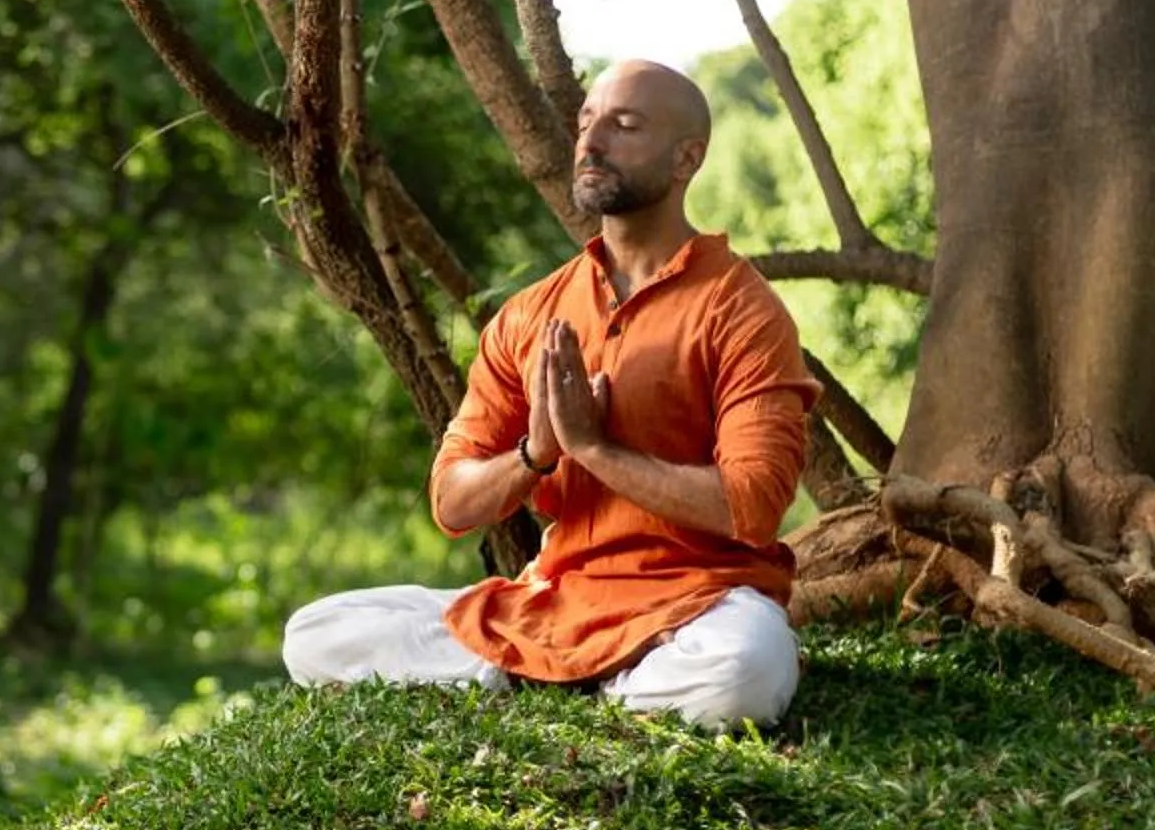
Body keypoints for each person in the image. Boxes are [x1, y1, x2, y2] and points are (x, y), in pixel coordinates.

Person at [284, 59, 818, 728]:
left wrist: (593, 449)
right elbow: (452, 500)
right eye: (587, 122)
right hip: (557, 599)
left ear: (687, 157)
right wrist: (535, 452)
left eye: (624, 126)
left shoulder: (740, 308)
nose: (591, 142)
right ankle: (587, 681)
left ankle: (537, 680)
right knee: (315, 632)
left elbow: (754, 506)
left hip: (699, 604)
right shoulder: (530, 313)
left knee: (744, 670)